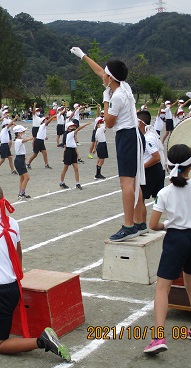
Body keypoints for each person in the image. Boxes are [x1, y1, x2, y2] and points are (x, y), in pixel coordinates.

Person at [0, 184, 71, 362]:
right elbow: (18, 252)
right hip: (8, 284)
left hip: (0, 292)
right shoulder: (12, 223)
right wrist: (18, 275)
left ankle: (42, 341)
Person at [144, 144, 191, 354]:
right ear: (190, 165)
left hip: (176, 238)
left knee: (162, 287)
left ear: (169, 165)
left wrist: (167, 224)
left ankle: (158, 338)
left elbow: (153, 224)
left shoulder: (165, 192)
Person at [70, 46, 146, 241]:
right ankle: (139, 222)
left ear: (110, 78)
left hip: (126, 137)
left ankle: (129, 225)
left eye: (106, 73)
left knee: (127, 182)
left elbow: (109, 124)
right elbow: (99, 71)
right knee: (135, 181)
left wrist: (105, 100)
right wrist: (83, 56)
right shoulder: (123, 86)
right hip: (133, 135)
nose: (102, 74)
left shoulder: (117, 96)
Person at [135, 110, 165, 231]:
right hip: (157, 170)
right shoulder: (150, 134)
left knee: (140, 198)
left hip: (150, 170)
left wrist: (141, 167)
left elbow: (156, 157)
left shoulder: (147, 138)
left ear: (140, 123)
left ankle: (142, 224)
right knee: (158, 198)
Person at [59, 119, 90, 190]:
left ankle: (77, 183)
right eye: (71, 126)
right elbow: (78, 129)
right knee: (65, 168)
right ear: (68, 128)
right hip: (69, 152)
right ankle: (62, 182)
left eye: (73, 126)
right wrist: (86, 124)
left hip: (72, 151)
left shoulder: (71, 134)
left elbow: (72, 145)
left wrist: (78, 155)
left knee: (76, 168)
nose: (73, 127)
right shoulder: (69, 134)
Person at [13, 125, 32, 200]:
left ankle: (21, 192)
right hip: (19, 160)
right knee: (27, 177)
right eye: (22, 132)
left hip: (20, 159)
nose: (24, 133)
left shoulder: (19, 140)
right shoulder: (18, 140)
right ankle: (22, 193)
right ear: (18, 133)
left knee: (22, 177)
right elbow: (23, 140)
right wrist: (30, 138)